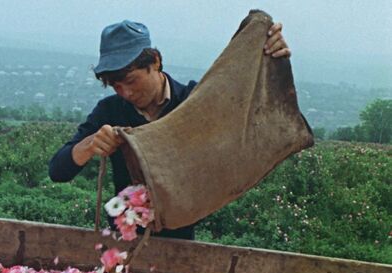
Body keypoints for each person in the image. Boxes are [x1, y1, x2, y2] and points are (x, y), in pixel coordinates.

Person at [48, 19, 291, 240]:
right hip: (123, 242)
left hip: (180, 242)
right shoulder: (110, 111)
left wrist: (269, 58)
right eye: (116, 86)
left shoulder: (192, 102)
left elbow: (251, 116)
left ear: (155, 61)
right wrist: (90, 144)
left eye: (131, 81)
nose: (126, 93)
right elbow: (58, 171)